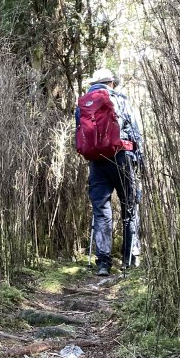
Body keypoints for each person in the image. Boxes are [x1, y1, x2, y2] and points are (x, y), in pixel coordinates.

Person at [75, 68, 143, 277]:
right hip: (122, 157)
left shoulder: (83, 104)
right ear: (111, 82)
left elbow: (81, 133)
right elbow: (135, 131)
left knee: (101, 211)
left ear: (93, 84)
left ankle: (103, 263)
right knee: (129, 207)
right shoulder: (120, 99)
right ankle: (128, 260)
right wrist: (140, 159)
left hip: (97, 162)